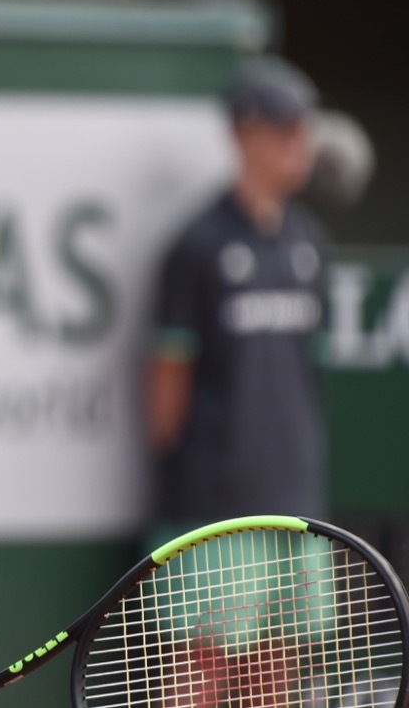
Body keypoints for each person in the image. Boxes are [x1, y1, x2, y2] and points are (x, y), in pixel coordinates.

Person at [143, 56, 330, 707]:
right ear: (244, 132)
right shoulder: (196, 246)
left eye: (304, 129)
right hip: (211, 514)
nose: (298, 144)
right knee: (199, 680)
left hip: (296, 507)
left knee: (274, 684)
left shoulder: (309, 243)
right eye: (284, 128)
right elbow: (165, 392)